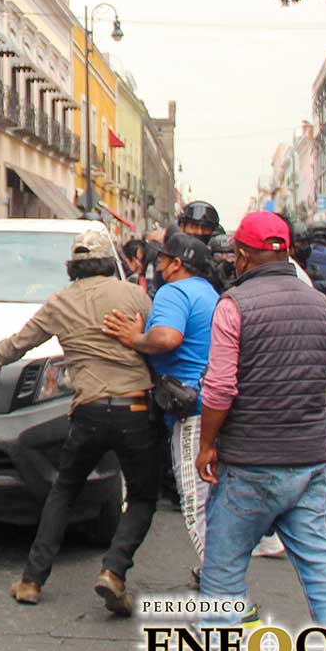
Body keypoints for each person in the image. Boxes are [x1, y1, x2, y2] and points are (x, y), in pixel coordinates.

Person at [192, 212, 326, 651]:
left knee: (226, 554)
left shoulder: (234, 305)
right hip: (310, 457)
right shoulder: (322, 304)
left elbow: (220, 387)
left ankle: (218, 646)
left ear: (243, 255)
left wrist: (207, 444)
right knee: (320, 556)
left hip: (251, 458)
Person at [0, 229, 158, 616]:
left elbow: (20, 342)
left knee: (64, 491)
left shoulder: (59, 301)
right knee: (141, 497)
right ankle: (114, 570)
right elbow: (158, 343)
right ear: (110, 262)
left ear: (72, 267)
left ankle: (31, 580)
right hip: (134, 408)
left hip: (87, 410)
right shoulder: (135, 296)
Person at [102, 233, 217, 578]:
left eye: (163, 259)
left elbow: (167, 337)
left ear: (177, 264)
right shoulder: (208, 292)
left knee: (195, 502)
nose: (158, 264)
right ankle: (214, 571)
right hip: (215, 403)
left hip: (191, 409)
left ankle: (220, 580)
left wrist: (136, 338)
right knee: (213, 498)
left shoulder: (174, 292)